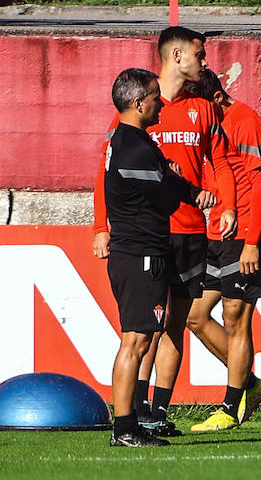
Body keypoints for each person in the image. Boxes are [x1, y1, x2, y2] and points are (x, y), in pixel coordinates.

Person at [92, 26, 240, 436]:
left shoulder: (203, 109)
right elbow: (113, 177)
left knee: (169, 324)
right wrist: (100, 226)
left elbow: (221, 163)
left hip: (184, 233)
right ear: (177, 56)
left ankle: (155, 409)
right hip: (144, 241)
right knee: (142, 334)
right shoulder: (130, 127)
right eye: (200, 55)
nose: (206, 63)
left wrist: (222, 204)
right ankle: (130, 416)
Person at [103, 68, 211, 446]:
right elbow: (164, 197)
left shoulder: (133, 141)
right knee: (135, 340)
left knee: (143, 339)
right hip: (138, 254)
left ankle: (128, 423)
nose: (159, 102)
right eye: (153, 96)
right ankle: (125, 428)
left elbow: (166, 180)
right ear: (137, 103)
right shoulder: (134, 146)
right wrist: (175, 182)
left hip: (141, 253)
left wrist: (190, 188)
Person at [185, 69, 261, 432]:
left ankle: (229, 405)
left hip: (248, 236)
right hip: (215, 234)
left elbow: (260, 182)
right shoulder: (205, 124)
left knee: (235, 317)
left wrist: (252, 241)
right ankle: (250, 386)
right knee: (194, 316)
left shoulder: (246, 122)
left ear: (218, 99)